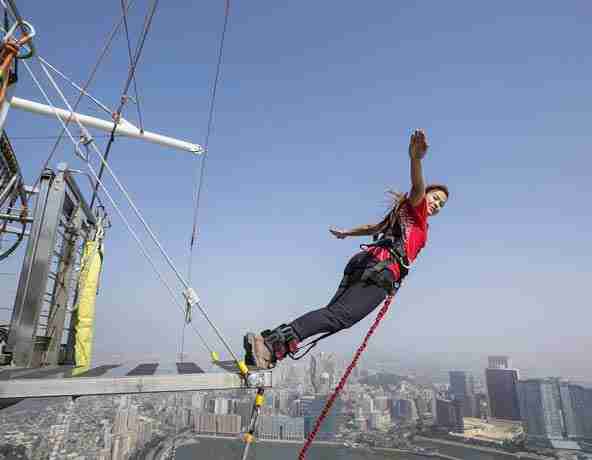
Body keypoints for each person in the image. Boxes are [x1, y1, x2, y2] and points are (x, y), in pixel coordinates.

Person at [243, 129, 449, 369]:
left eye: (441, 205)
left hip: (366, 264)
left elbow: (375, 227)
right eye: (435, 198)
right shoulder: (418, 214)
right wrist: (415, 160)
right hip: (380, 271)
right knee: (340, 316)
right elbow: (417, 187)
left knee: (333, 314)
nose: (436, 204)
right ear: (426, 196)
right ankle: (267, 344)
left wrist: (347, 233)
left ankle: (270, 348)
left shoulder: (404, 215)